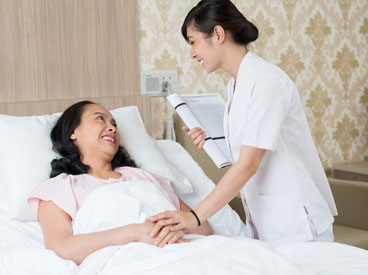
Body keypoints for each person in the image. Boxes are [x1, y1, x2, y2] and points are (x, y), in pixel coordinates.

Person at [147, 0, 337, 246]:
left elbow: (248, 165)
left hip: (296, 224)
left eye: (193, 42)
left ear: (217, 33)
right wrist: (211, 142)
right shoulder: (235, 85)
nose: (192, 53)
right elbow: (248, 151)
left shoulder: (266, 81)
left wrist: (194, 216)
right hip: (266, 223)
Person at [27, 101, 212, 264]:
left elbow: (203, 227)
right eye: (100, 119)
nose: (112, 128)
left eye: (114, 124)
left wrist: (170, 231)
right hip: (129, 262)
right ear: (73, 132)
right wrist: (137, 232)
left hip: (186, 253)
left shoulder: (144, 178)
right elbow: (61, 248)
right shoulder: (61, 187)